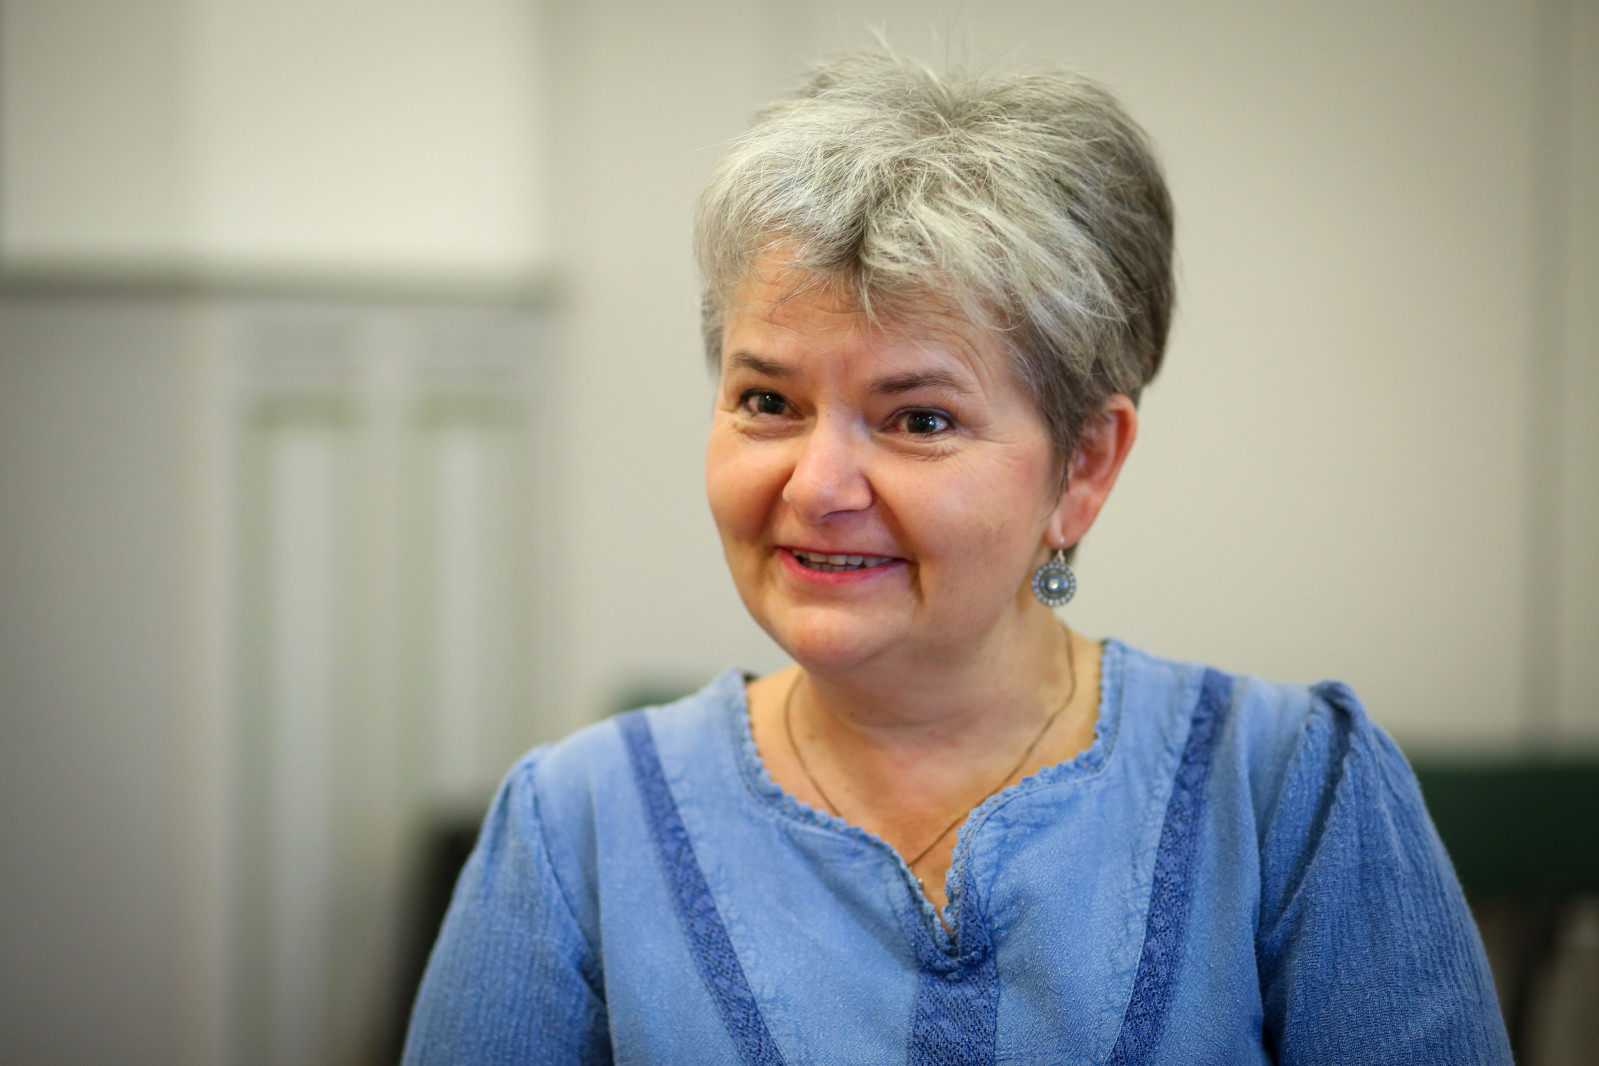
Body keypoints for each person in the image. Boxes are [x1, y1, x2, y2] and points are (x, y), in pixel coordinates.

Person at [403, 52, 1511, 1065]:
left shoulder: (1288, 792)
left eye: (919, 419)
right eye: (767, 402)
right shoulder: (573, 826)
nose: (816, 488)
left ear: (1082, 464)